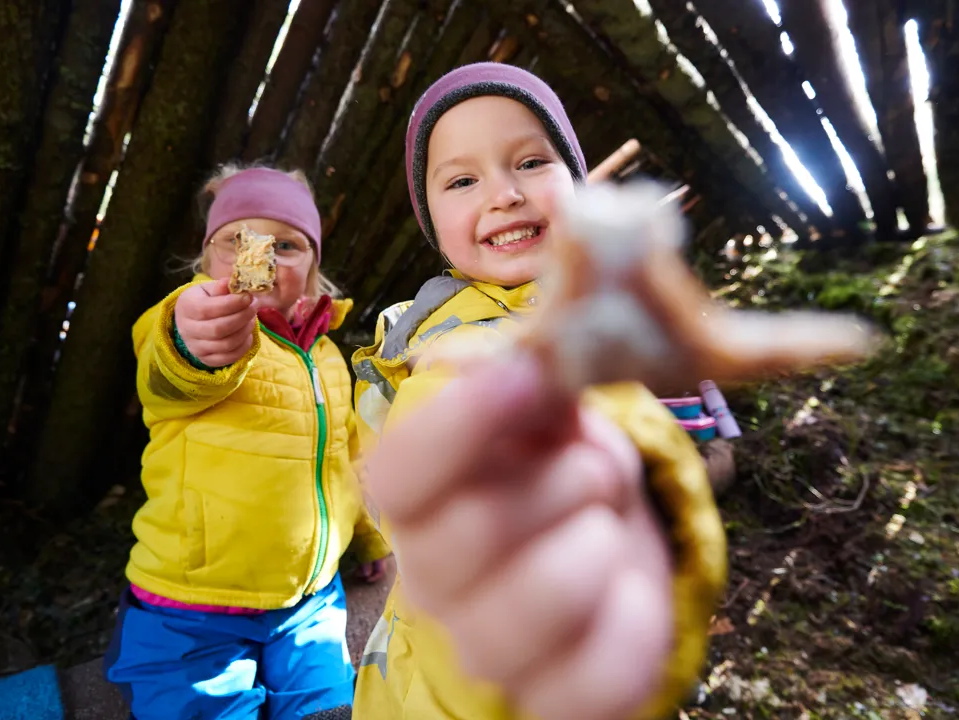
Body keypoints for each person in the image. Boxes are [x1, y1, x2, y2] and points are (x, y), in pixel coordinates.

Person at [349, 63, 728, 720]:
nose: (504, 195)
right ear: (433, 219)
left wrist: (674, 441)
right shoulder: (420, 341)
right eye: (464, 179)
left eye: (530, 162)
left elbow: (712, 460)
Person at [105, 164, 390, 720]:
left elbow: (347, 463)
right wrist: (190, 341)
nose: (258, 256)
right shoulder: (184, 330)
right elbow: (165, 376)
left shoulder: (329, 358)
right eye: (236, 241)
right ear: (206, 263)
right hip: (191, 608)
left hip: (309, 606)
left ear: (313, 270)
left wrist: (372, 541)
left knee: (333, 710)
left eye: (286, 244)